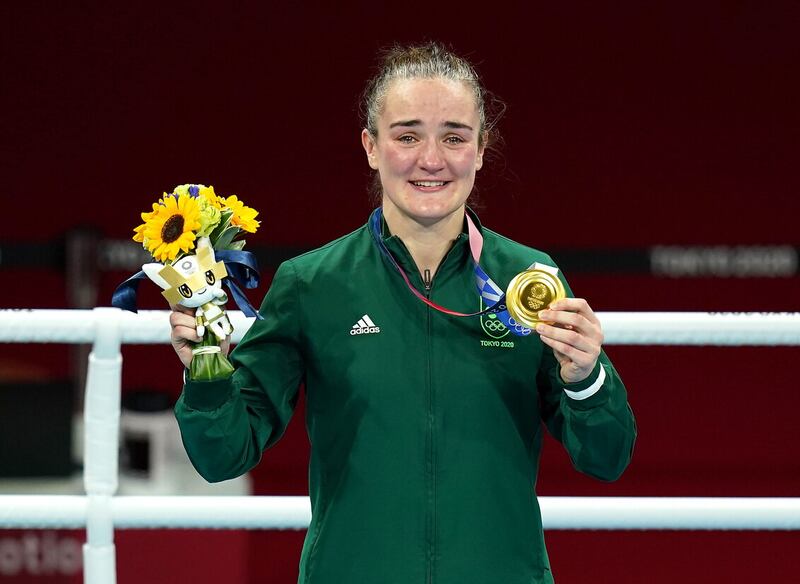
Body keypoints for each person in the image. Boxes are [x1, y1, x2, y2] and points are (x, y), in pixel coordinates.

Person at [171, 42, 636, 584]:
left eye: (455, 137)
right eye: (407, 135)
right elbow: (223, 456)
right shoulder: (310, 284)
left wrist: (586, 378)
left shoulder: (530, 278)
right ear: (371, 146)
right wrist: (205, 374)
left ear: (482, 149)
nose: (431, 159)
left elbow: (607, 458)